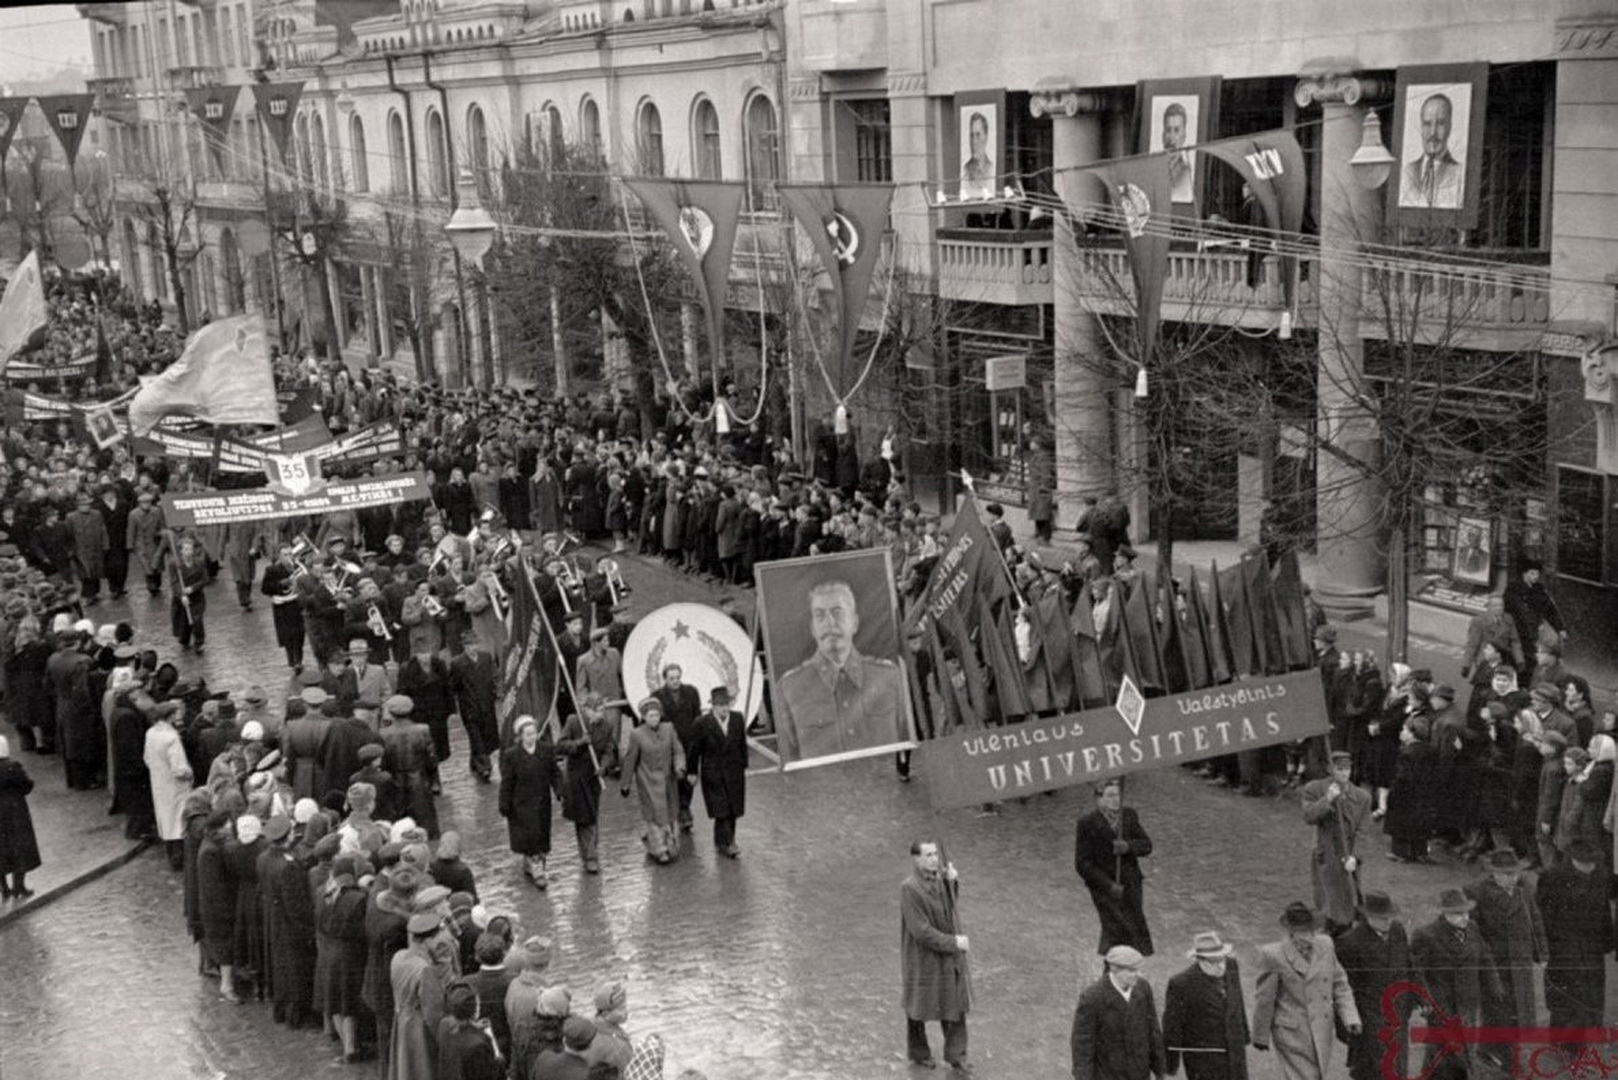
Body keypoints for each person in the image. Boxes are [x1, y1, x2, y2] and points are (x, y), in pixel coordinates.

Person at [775, 579, 905, 764]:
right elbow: (791, 763)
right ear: (812, 629)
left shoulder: (888, 676)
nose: (829, 623)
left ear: (855, 623)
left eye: (837, 613)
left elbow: (907, 745)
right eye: (820, 615)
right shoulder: (790, 688)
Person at [1250, 902, 1360, 1080]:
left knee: (1317, 1075)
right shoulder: (1273, 955)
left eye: (1309, 931)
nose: (1307, 937)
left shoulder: (1326, 945)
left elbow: (1339, 984)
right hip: (1291, 1033)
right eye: (1301, 932)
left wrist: (1350, 1017)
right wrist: (1260, 1036)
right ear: (1290, 932)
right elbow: (1265, 998)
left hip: (1322, 1029)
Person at [1409, 889, 1503, 1080]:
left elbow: (1485, 959)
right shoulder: (1426, 935)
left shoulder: (1473, 929)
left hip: (1470, 1003)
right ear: (1444, 913)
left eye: (1466, 912)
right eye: (1458, 914)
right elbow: (1417, 972)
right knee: (1444, 1054)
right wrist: (1425, 999)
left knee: (1467, 1050)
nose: (1464, 918)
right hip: (1443, 1006)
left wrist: (1494, 986)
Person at [900, 839, 972, 1072]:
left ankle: (956, 1056)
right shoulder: (909, 888)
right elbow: (921, 931)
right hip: (922, 959)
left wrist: (953, 883)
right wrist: (954, 942)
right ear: (916, 859)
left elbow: (949, 909)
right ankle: (919, 1052)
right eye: (928, 855)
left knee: (955, 1003)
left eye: (935, 854)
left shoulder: (941, 880)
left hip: (946, 956)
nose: (934, 859)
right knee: (917, 1007)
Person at [1465, 849, 1546, 1036]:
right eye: (1507, 874)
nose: (1513, 879)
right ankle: (1495, 1046)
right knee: (1498, 1009)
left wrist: (1541, 953)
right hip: (1495, 961)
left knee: (1521, 1005)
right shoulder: (1476, 893)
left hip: (1521, 959)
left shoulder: (1524, 890)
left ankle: (1516, 1041)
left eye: (1515, 873)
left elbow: (1535, 921)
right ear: (1494, 873)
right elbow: (1472, 932)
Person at [1333, 892, 1413, 1080]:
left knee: (1398, 1069)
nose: (1388, 922)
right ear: (1369, 917)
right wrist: (1348, 1027)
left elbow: (1409, 966)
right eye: (1383, 918)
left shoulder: (1397, 930)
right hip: (1369, 1023)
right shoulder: (1349, 943)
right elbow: (1343, 990)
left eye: (1390, 917)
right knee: (1374, 1071)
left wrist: (1415, 999)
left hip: (1398, 1016)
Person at [1536, 838, 1614, 1029]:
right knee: (1566, 998)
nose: (1590, 867)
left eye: (1593, 863)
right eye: (1586, 863)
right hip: (1563, 948)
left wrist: (1607, 941)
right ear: (1573, 860)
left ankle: (1591, 1029)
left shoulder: (1600, 876)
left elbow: (1604, 911)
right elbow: (1542, 917)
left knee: (1592, 993)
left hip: (1592, 948)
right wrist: (1542, 948)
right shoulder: (1552, 878)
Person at [1074, 778, 1154, 956]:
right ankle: (1116, 965)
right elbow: (1082, 863)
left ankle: (1125, 964)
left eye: (1117, 795)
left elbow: (1146, 845)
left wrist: (1128, 847)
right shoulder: (1087, 823)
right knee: (1116, 928)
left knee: (1132, 925)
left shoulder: (1129, 815)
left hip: (1130, 884)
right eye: (1110, 796)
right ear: (1098, 798)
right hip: (1105, 889)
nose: (1115, 800)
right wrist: (1108, 885)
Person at [1299, 751, 1371, 934]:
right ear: (1330, 769)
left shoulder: (1362, 797)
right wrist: (1327, 800)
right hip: (1327, 854)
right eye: (1340, 769)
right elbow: (1308, 816)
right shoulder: (1314, 789)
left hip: (1349, 856)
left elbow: (1363, 831)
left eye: (1347, 769)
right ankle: (1329, 931)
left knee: (1349, 899)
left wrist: (1355, 856)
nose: (1345, 773)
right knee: (1327, 900)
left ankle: (1345, 931)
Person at [1071, 944, 1167, 1080]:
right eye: (1132, 970)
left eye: (1138, 969)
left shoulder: (1143, 988)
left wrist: (1160, 1070)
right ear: (1114, 969)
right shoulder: (1092, 998)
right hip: (1108, 1074)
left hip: (1139, 1073)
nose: (1137, 975)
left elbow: (1153, 1030)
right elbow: (1083, 1045)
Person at [1160, 932, 1247, 1080]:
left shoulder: (1231, 966)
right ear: (1200, 961)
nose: (1220, 966)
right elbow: (1172, 1027)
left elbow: (1237, 1001)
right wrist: (1171, 1065)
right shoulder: (1181, 984)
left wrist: (1243, 1035)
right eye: (1213, 962)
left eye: (1222, 959)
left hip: (1234, 1052)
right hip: (1203, 1060)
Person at [620, 697, 686, 864]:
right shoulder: (637, 734)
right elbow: (630, 760)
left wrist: (679, 767)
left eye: (656, 715)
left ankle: (671, 845)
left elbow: (678, 750)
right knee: (654, 816)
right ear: (643, 717)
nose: (654, 719)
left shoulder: (669, 729)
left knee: (671, 813)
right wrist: (625, 783)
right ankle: (659, 849)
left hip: (669, 781)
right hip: (648, 782)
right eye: (650, 716)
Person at [498, 715, 559, 889]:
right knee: (531, 837)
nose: (532, 737)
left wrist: (560, 790)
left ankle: (532, 864)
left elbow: (554, 772)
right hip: (522, 805)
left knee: (542, 835)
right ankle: (538, 872)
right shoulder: (512, 756)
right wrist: (504, 804)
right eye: (528, 734)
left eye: (534, 733)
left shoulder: (545, 750)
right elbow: (507, 782)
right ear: (520, 736)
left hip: (542, 802)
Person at [688, 685, 748, 858]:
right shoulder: (702, 723)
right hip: (713, 773)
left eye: (726, 704)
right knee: (721, 809)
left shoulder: (737, 719)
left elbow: (742, 744)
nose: (724, 709)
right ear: (713, 706)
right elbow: (694, 750)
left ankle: (722, 840)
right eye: (720, 705)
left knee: (733, 809)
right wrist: (692, 771)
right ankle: (729, 843)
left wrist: (744, 764)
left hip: (734, 771)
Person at [557, 695, 615, 875]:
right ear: (587, 710)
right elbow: (560, 746)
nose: (601, 714)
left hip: (593, 778)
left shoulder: (607, 726)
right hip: (576, 777)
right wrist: (579, 743)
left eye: (603, 710)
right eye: (598, 711)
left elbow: (609, 750)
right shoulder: (574, 722)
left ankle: (589, 853)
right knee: (583, 817)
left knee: (592, 815)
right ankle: (590, 856)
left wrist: (604, 766)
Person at [144, 699, 194, 871]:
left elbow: (147, 758)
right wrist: (189, 773)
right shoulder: (172, 738)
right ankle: (180, 860)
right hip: (176, 787)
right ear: (170, 716)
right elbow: (179, 769)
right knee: (179, 821)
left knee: (166, 820)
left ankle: (172, 857)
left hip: (159, 783)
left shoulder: (151, 733)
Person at [1398, 92, 1463, 209]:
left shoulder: (1459, 174)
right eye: (1427, 124)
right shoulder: (1407, 172)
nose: (1433, 132)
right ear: (1421, 128)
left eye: (1440, 124)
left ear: (1449, 127)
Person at [0, 735, 41, 899]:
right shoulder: (13, 767)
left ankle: (4, 888)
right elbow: (27, 785)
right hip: (15, 811)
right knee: (20, 848)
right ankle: (19, 886)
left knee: (2, 850)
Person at [171, 535, 210, 653]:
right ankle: (184, 640)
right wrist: (181, 595)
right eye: (186, 549)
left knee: (197, 619)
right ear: (181, 551)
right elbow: (174, 583)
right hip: (182, 599)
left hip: (197, 597)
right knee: (184, 621)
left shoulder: (199, 562)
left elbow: (205, 579)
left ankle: (199, 642)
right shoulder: (175, 565)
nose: (189, 552)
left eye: (191, 549)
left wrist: (192, 588)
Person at [1161, 101, 1192, 204]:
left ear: (1184, 135)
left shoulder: (1186, 174)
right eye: (1168, 130)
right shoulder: (1154, 170)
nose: (1171, 138)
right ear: (1163, 135)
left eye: (1177, 130)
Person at [960, 110, 994, 199]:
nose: (974, 141)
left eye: (978, 135)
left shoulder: (991, 168)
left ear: (986, 137)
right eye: (972, 136)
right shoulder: (966, 169)